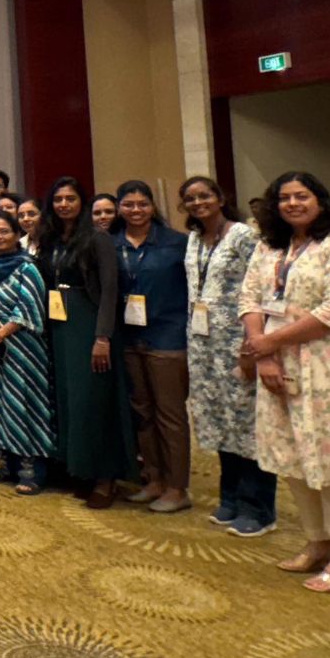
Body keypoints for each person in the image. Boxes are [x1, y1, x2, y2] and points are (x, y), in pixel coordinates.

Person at [239, 171, 330, 594]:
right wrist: (265, 354)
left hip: (327, 365)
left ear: (320, 200)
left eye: (302, 196)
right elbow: (249, 298)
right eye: (284, 198)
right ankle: (319, 541)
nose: (293, 204)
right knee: (294, 456)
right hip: (276, 364)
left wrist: (268, 343)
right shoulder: (269, 247)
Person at [179, 176, 273, 535]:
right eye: (190, 198)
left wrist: (254, 345)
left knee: (246, 423)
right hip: (204, 346)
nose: (198, 203)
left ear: (220, 198)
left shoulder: (243, 236)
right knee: (219, 419)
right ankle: (230, 496)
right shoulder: (193, 239)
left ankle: (258, 507)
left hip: (239, 342)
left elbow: (261, 290)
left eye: (204, 196)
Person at [40, 177, 132, 507]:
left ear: (82, 202)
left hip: (89, 324)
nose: (64, 204)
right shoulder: (51, 239)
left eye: (71, 198)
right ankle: (82, 470)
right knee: (70, 401)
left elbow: (109, 290)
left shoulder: (97, 238)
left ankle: (106, 478)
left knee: (94, 400)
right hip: (60, 325)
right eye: (58, 199)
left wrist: (102, 337)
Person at [115, 180, 193, 513]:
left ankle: (178, 487)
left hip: (167, 336)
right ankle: (154, 478)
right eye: (128, 204)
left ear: (152, 206)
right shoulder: (113, 243)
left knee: (170, 415)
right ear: (119, 208)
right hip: (130, 338)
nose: (136, 210)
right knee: (142, 413)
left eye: (142, 204)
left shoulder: (176, 243)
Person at [0, 211, 54, 494]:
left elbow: (29, 308)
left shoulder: (28, 268)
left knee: (23, 404)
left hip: (22, 348)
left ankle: (32, 472)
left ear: (18, 234)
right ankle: (7, 465)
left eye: (4, 231)